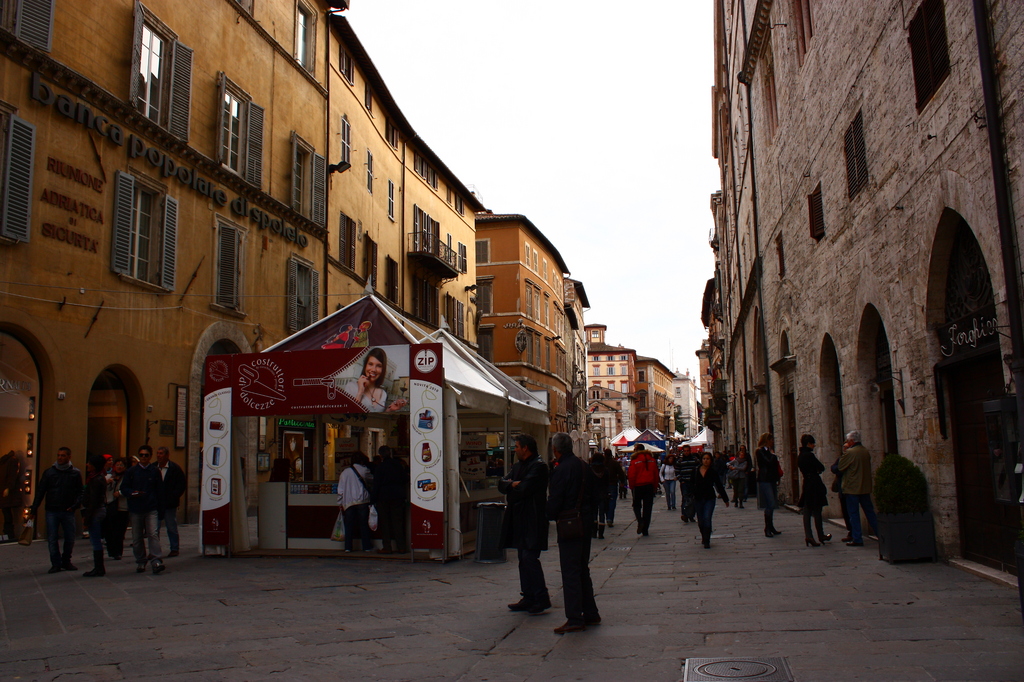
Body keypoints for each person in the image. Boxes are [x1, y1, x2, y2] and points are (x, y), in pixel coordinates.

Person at [546, 432, 600, 634]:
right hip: (585, 522)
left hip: (569, 524)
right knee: (582, 568)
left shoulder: (561, 470)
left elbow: (555, 500)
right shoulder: (583, 466)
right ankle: (591, 612)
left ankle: (575, 617)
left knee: (570, 571)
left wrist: (549, 513)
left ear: (555, 449)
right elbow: (596, 495)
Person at [498, 434, 551, 614]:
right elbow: (502, 483)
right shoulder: (519, 466)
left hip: (533, 518)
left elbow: (523, 489)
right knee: (523, 558)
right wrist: (512, 485)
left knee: (529, 558)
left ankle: (541, 597)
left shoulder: (539, 466)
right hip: (520, 518)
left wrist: (511, 487)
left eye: (517, 446)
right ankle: (528, 596)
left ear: (525, 448)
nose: (515, 449)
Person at [29, 447, 83, 573]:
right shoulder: (49, 473)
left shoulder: (75, 473)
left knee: (70, 537)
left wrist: (75, 506)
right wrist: (34, 508)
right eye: (58, 455)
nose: (60, 458)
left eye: (63, 455)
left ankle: (66, 560)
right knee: (52, 538)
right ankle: (55, 563)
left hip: (68, 510)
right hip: (52, 510)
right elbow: (41, 491)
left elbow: (80, 492)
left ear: (69, 457)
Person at [120, 445, 166, 574]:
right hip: (136, 508)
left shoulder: (154, 471)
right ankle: (140, 561)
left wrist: (160, 509)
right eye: (141, 455)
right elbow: (124, 488)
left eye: (146, 455)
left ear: (150, 456)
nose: (143, 457)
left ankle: (156, 560)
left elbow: (160, 491)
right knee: (137, 537)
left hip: (151, 507)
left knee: (152, 534)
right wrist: (132, 493)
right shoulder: (132, 471)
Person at [838, 430, 878, 547]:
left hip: (852, 487)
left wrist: (844, 451)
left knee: (854, 514)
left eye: (848, 441)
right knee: (870, 512)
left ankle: (857, 538)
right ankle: (880, 534)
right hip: (865, 487)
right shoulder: (865, 451)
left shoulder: (850, 452)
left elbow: (840, 467)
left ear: (851, 441)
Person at [343, 348, 406, 412]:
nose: (373, 369)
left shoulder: (383, 394)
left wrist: (390, 409)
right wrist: (360, 392)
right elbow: (347, 415)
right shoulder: (351, 387)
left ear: (383, 370)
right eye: (370, 364)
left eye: (378, 366)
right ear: (365, 366)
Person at [372, 446, 408, 554]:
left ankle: (387, 547)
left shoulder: (380, 467)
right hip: (397, 495)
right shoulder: (398, 465)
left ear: (381, 455)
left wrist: (373, 499)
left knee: (385, 523)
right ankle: (401, 547)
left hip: (383, 497)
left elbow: (376, 484)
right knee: (398, 522)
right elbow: (405, 478)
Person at [690, 452, 730, 548]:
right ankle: (704, 535)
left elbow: (719, 485)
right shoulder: (695, 470)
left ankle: (707, 540)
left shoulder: (713, 472)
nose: (706, 460)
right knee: (700, 520)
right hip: (698, 498)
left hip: (709, 498)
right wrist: (690, 495)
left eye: (708, 459)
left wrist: (725, 499)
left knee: (707, 518)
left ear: (711, 460)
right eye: (704, 458)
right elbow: (691, 484)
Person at [798, 434, 831, 547]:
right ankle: (820, 535)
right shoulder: (809, 455)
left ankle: (809, 535)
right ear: (808, 444)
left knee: (807, 510)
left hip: (807, 483)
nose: (814, 445)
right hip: (814, 484)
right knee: (817, 510)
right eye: (812, 443)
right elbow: (821, 467)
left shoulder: (800, 456)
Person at [337, 453, 374, 552]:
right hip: (362, 500)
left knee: (349, 525)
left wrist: (340, 503)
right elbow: (372, 480)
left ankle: (348, 547)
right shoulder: (364, 470)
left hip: (348, 502)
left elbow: (340, 490)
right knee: (363, 524)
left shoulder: (344, 472)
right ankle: (366, 546)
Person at [155, 446, 186, 557]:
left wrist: (173, 496)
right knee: (154, 528)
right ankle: (154, 550)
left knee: (171, 526)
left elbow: (181, 484)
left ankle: (174, 548)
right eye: (158, 453)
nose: (159, 455)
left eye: (161, 453)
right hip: (156, 503)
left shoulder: (174, 469)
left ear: (167, 455)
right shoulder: (154, 468)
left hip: (169, 503)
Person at [81, 455, 108, 577]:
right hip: (98, 510)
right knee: (96, 539)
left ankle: (99, 567)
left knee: (95, 540)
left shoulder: (96, 479)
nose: (87, 465)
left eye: (89, 463)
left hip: (96, 511)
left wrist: (87, 518)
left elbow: (94, 501)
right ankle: (98, 567)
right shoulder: (97, 478)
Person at [627, 444, 658, 536]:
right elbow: (656, 474)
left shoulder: (635, 460)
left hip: (638, 486)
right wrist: (655, 487)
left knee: (636, 506)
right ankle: (645, 530)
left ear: (637, 450)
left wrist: (631, 486)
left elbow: (631, 475)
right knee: (648, 508)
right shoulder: (652, 460)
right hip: (649, 486)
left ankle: (640, 521)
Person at [756, 433, 782, 537]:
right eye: (771, 440)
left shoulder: (769, 452)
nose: (773, 442)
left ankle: (771, 527)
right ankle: (767, 528)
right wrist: (773, 455)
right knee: (770, 503)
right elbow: (768, 462)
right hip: (765, 479)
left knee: (772, 503)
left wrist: (777, 478)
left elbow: (774, 466)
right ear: (767, 440)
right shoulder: (760, 451)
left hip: (771, 479)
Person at [104, 458, 130, 560]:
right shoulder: (109, 477)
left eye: (121, 465)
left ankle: (118, 552)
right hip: (110, 506)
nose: (119, 467)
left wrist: (120, 493)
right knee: (109, 530)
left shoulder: (128, 477)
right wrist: (107, 482)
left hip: (123, 507)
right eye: (117, 465)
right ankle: (111, 550)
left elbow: (130, 489)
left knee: (119, 531)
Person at [0, 450, 22, 543]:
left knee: (6, 512)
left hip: (6, 490)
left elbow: (12, 476)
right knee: (7, 512)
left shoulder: (6, 462)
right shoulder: (10, 461)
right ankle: (8, 533)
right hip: (6, 491)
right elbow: (12, 476)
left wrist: (8, 487)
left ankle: (8, 533)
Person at [674, 445, 699, 522]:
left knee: (693, 499)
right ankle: (684, 515)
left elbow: (698, 469)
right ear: (683, 451)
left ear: (690, 451)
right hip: (684, 482)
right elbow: (677, 471)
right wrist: (681, 479)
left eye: (688, 451)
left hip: (693, 483)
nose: (686, 452)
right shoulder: (680, 461)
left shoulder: (695, 460)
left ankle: (691, 515)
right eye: (685, 451)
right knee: (685, 498)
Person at [603, 448, 627, 527]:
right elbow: (621, 473)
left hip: (603, 485)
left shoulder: (602, 463)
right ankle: (610, 518)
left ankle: (607, 517)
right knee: (612, 502)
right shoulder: (615, 463)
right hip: (613, 484)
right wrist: (622, 482)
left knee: (605, 501)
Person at [590, 452, 608, 539]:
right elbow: (607, 483)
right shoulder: (605, 470)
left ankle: (594, 532)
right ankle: (601, 533)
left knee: (593, 513)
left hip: (592, 494)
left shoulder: (590, 469)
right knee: (601, 513)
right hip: (603, 494)